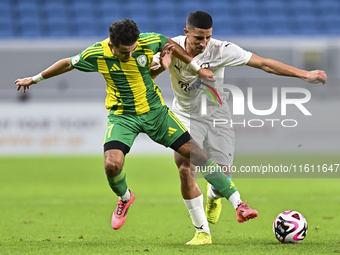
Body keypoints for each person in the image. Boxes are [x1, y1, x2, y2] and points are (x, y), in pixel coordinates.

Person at [14, 19, 255, 245]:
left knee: (197, 156)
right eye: (123, 52)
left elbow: (167, 43)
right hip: (122, 116)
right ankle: (126, 198)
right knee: (111, 165)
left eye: (132, 49)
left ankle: (239, 204)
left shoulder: (148, 41)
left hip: (155, 113)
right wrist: (33, 79)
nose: (129, 54)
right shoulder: (96, 54)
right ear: (111, 45)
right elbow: (67, 63)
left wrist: (195, 67)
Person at [152, 11, 327, 245]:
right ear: (187, 33)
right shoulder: (171, 49)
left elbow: (264, 64)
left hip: (217, 116)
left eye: (207, 37)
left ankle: (215, 194)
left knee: (222, 175)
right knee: (184, 167)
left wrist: (305, 74)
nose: (203, 43)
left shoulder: (221, 49)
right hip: (186, 116)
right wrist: (161, 67)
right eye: (198, 38)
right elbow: (146, 76)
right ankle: (202, 232)